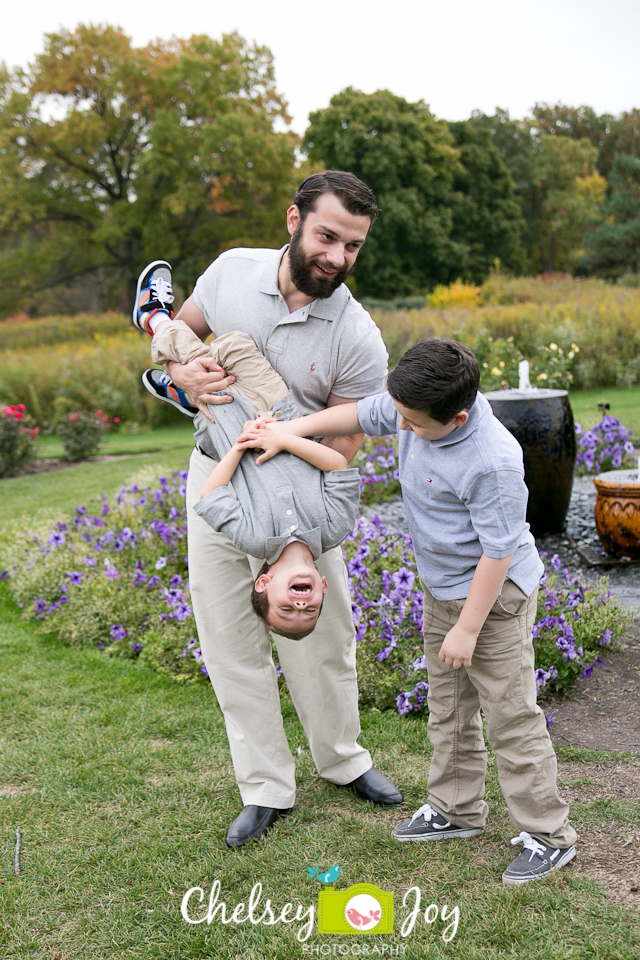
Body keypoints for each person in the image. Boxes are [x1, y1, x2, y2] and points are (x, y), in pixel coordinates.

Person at [132, 171, 403, 849]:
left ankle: (343, 762)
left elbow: (347, 442)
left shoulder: (357, 338)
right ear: (293, 220)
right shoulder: (229, 274)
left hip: (304, 494)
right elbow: (182, 349)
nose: (338, 257)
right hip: (217, 482)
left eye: (353, 246)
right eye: (327, 236)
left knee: (325, 640)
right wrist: (178, 378)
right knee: (230, 642)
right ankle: (265, 788)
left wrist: (282, 441)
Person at [262, 336, 577, 886]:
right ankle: (456, 810)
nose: (400, 428)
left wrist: (467, 629)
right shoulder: (416, 404)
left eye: (412, 423)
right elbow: (362, 412)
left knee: (510, 717)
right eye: (399, 414)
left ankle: (548, 835)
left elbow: (498, 553)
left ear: (457, 417)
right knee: (449, 706)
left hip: (492, 600)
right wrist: (289, 431)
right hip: (442, 589)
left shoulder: (493, 462)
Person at [133, 285, 361, 640]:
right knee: (233, 345)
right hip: (281, 414)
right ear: (323, 585)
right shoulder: (334, 527)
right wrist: (284, 438)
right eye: (309, 608)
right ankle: (184, 394)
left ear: (264, 582)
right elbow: (336, 465)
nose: (300, 605)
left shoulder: (254, 539)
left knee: (200, 367)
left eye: (286, 608)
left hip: (232, 431)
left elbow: (210, 494)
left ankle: (154, 317)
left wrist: (239, 446)